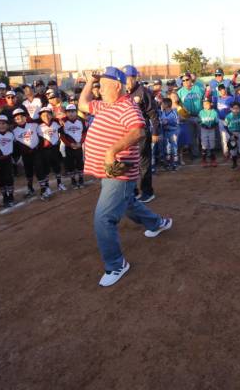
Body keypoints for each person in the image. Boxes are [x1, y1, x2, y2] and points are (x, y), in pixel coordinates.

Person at [77, 67, 173, 287]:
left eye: (103, 85)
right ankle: (157, 223)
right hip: (109, 172)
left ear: (117, 86)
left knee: (103, 219)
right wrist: (90, 82)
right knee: (129, 203)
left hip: (119, 174)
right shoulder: (105, 104)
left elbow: (138, 131)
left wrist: (111, 151)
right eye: (98, 85)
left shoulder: (127, 106)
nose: (99, 90)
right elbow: (83, 103)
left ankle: (116, 264)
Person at [123, 65, 160, 203]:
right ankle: (134, 191)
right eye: (125, 78)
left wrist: (156, 132)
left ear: (135, 77)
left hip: (142, 132)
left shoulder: (143, 92)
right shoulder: (123, 93)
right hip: (127, 134)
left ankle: (147, 191)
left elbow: (153, 114)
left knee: (143, 163)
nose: (127, 81)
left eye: (129, 78)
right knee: (130, 162)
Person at [0, 115, 16, 207]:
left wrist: (16, 158)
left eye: (4, 123)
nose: (1, 126)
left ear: (8, 125)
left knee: (9, 178)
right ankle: (5, 196)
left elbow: (15, 146)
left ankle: (11, 196)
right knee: (0, 180)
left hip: (8, 160)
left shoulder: (11, 134)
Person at [60, 104, 86, 188]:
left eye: (73, 111)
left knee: (80, 163)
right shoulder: (63, 122)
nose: (71, 114)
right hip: (69, 147)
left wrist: (81, 143)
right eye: (68, 112)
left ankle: (81, 179)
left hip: (79, 146)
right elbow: (62, 136)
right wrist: (69, 144)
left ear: (76, 112)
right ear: (66, 113)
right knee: (70, 164)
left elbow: (84, 133)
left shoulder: (81, 121)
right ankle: (73, 180)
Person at [224, 101, 240, 170]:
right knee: (233, 149)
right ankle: (234, 164)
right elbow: (225, 126)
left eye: (237, 108)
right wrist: (231, 135)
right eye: (234, 108)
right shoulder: (229, 116)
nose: (236, 110)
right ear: (231, 109)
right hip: (232, 134)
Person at [158, 97, 180, 171]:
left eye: (163, 103)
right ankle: (167, 164)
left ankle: (175, 165)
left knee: (174, 148)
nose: (162, 105)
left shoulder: (174, 112)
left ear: (167, 104)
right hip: (165, 132)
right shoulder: (162, 112)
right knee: (167, 148)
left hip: (173, 132)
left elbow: (177, 122)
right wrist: (163, 123)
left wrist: (168, 122)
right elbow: (160, 121)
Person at [198, 97, 219, 167]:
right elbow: (199, 121)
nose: (205, 105)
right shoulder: (201, 112)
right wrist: (203, 125)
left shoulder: (214, 112)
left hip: (211, 130)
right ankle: (204, 160)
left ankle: (213, 159)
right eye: (204, 104)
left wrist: (213, 125)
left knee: (212, 144)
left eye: (207, 104)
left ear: (211, 104)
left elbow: (216, 122)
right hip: (204, 131)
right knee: (204, 145)